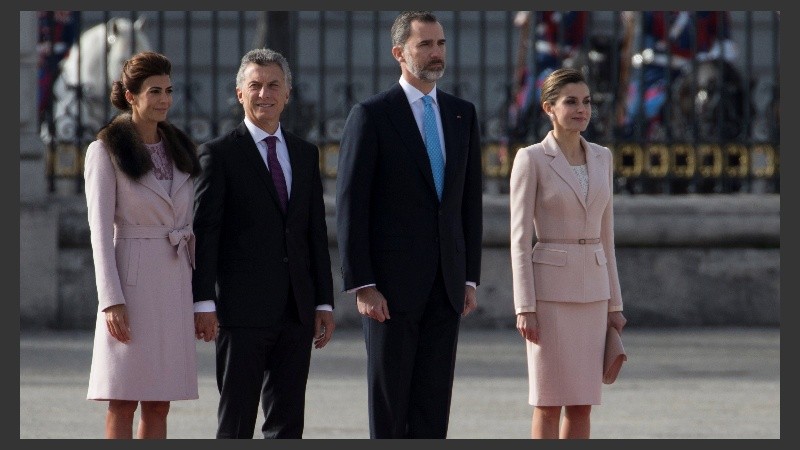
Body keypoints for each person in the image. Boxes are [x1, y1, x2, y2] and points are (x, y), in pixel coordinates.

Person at [336, 11, 483, 439]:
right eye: (425, 45)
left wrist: (468, 278)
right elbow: (351, 206)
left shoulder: (461, 114)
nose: (436, 53)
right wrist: (363, 285)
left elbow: (467, 203)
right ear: (399, 53)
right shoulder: (372, 115)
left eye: (441, 43)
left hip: (446, 286)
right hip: (390, 291)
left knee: (432, 409)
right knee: (390, 408)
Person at [192, 47, 336, 439]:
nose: (264, 94)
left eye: (274, 85)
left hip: (296, 311)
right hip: (240, 314)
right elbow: (206, 232)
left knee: (287, 424)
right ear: (240, 93)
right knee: (236, 422)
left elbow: (314, 233)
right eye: (255, 85)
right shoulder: (219, 154)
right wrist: (203, 301)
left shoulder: (305, 154)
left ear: (287, 93)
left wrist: (323, 302)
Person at [84, 50, 209, 439]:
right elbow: (99, 232)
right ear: (131, 96)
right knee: (122, 399)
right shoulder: (105, 150)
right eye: (154, 91)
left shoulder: (180, 148)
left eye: (168, 90)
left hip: (175, 283)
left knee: (159, 402)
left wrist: (202, 300)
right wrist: (111, 300)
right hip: (130, 287)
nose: (164, 100)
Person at [509, 68, 627, 439]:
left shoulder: (603, 157)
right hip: (550, 299)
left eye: (586, 102)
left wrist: (615, 304)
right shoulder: (531, 159)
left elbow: (607, 237)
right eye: (571, 102)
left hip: (594, 295)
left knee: (582, 403)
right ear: (549, 108)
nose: (581, 109)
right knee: (548, 401)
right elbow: (519, 239)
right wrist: (525, 306)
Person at [617, 11, 737, 140]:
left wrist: (708, 57)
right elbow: (642, 39)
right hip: (657, 72)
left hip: (696, 71)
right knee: (636, 112)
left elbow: (726, 45)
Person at [508, 11, 589, 142]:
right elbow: (521, 19)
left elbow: (578, 37)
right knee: (528, 102)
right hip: (542, 62)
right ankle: (517, 132)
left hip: (566, 61)